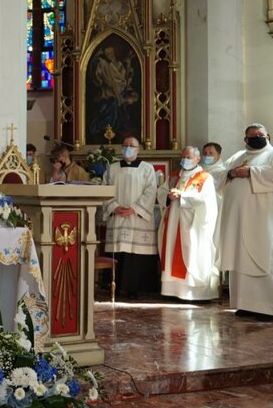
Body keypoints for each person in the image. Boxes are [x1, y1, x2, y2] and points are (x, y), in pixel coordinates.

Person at [215, 124, 273, 318]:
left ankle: (267, 307)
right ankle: (246, 304)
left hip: (260, 217)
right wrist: (231, 173)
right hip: (236, 219)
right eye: (252, 136)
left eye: (260, 135)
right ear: (245, 139)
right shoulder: (238, 156)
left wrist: (251, 172)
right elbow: (217, 174)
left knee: (262, 257)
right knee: (239, 258)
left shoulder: (271, 154)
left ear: (268, 136)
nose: (257, 137)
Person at [157, 146, 219, 300]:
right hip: (173, 222)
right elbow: (161, 192)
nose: (185, 160)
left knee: (191, 253)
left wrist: (182, 196)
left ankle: (193, 293)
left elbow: (206, 201)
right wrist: (168, 196)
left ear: (198, 159)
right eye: (183, 157)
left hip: (192, 225)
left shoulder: (205, 178)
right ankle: (171, 290)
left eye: (189, 157)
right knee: (171, 250)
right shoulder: (173, 176)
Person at [103, 136, 159, 298]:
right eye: (125, 145)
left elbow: (151, 191)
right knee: (119, 252)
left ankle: (135, 288)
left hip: (137, 218)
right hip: (118, 216)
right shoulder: (112, 168)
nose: (128, 148)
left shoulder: (147, 168)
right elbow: (104, 189)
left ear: (138, 149)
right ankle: (115, 286)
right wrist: (114, 206)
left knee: (135, 254)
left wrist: (135, 209)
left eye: (132, 145)